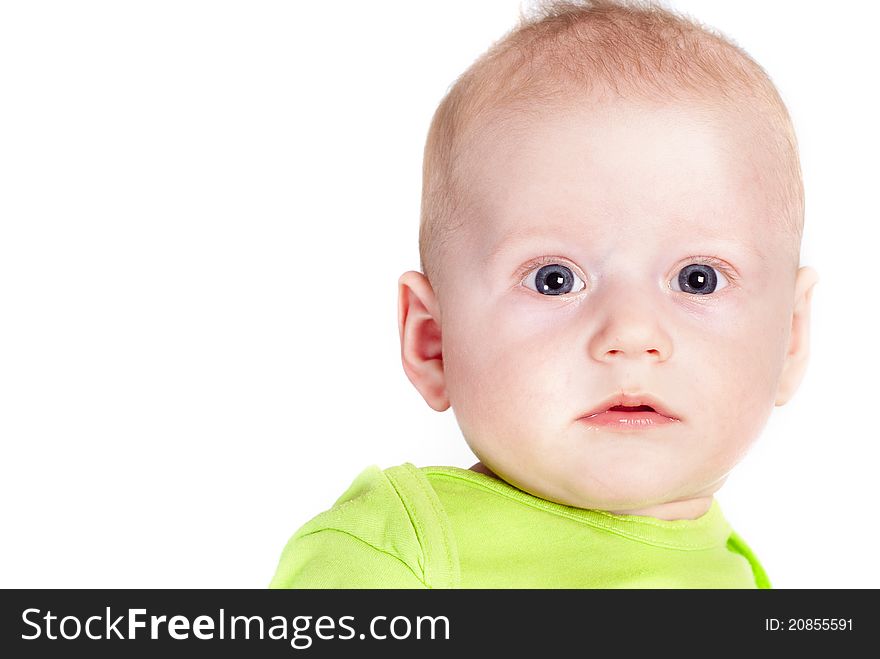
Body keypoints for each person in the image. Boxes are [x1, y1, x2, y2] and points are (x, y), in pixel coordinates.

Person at [269, 0, 818, 588]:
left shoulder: (740, 575)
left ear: (789, 338)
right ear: (434, 341)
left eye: (697, 279)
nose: (631, 334)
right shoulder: (393, 554)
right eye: (553, 279)